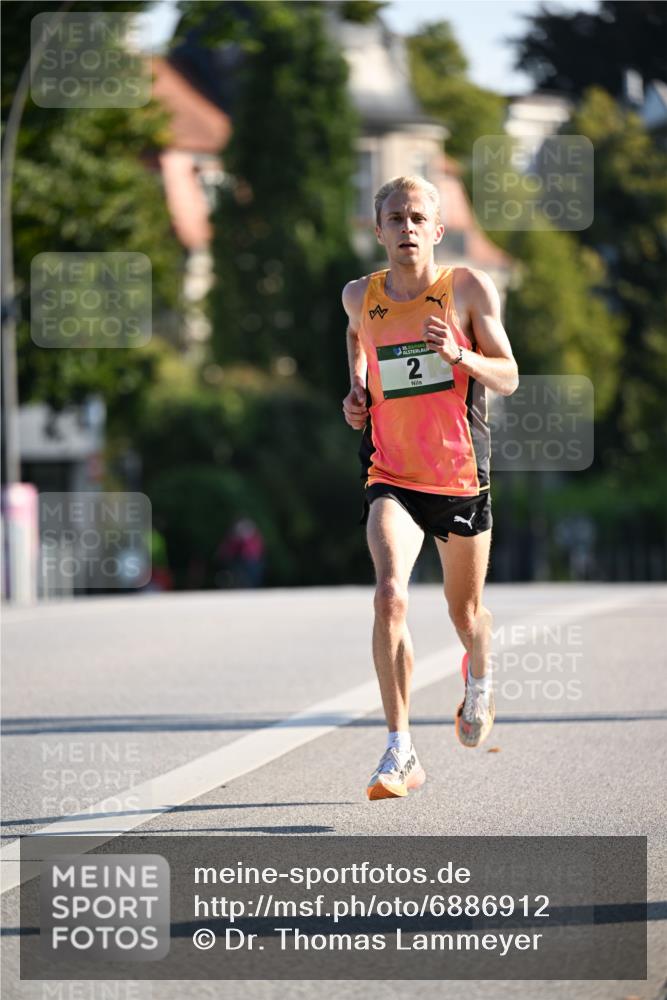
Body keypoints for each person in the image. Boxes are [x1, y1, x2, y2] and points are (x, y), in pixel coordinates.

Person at [341, 175, 518, 801]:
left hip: (460, 478)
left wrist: (461, 358)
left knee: (464, 613)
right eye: (395, 218)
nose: (406, 228)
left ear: (437, 230)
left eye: (418, 218)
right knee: (389, 596)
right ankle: (400, 749)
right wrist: (358, 391)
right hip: (391, 473)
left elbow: (510, 375)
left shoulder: (466, 289)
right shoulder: (360, 295)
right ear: (379, 229)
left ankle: (480, 675)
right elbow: (358, 341)